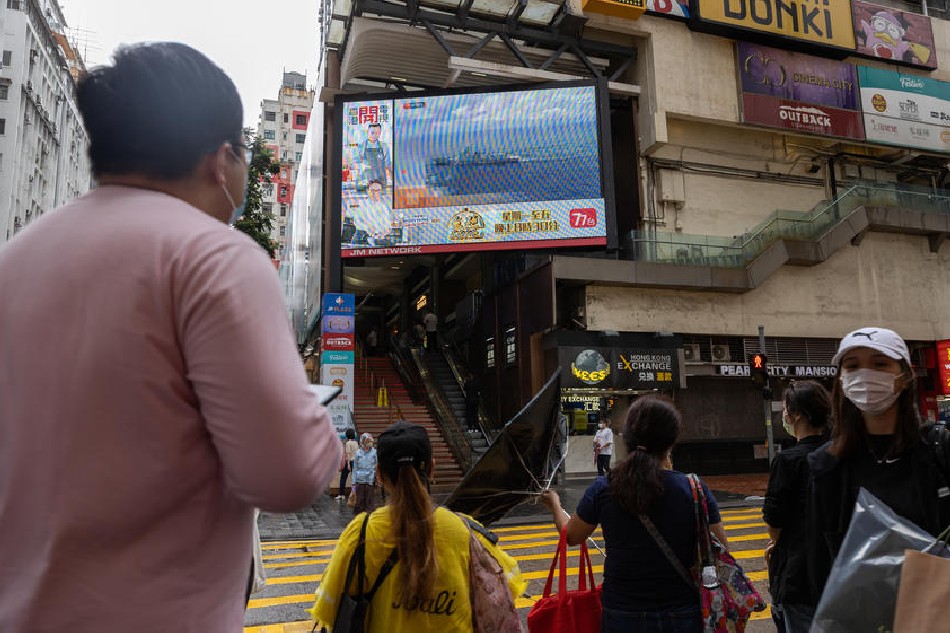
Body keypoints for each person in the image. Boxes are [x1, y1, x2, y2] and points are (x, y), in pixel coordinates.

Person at [0, 42, 341, 632]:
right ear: (221, 160)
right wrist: (314, 422)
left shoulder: (15, 260)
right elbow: (287, 474)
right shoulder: (215, 258)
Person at [311, 421, 525, 631]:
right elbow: (509, 586)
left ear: (379, 474)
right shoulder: (465, 531)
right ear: (432, 468)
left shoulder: (362, 532)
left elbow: (328, 609)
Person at [541, 396, 729, 633]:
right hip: (682, 612)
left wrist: (555, 505)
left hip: (622, 613)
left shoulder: (604, 488)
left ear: (626, 438)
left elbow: (571, 535)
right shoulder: (693, 488)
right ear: (671, 441)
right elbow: (720, 547)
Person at [808, 327, 950, 600]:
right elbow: (819, 565)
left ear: (905, 377)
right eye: (852, 366)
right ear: (842, 380)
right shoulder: (827, 465)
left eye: (880, 364)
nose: (865, 374)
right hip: (862, 616)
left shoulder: (938, 450)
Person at [763, 380, 831, 633]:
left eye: (785, 409)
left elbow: (774, 520)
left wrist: (775, 544)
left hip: (798, 573)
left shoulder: (788, 461)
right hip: (837, 568)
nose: (784, 415)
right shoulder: (838, 454)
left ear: (797, 414)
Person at [352, 433, 378, 515]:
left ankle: (369, 520)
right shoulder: (358, 453)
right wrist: (353, 484)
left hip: (370, 480)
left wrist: (377, 478)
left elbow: (377, 466)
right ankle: (359, 520)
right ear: (363, 442)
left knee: (370, 502)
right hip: (360, 481)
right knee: (359, 502)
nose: (370, 443)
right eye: (368, 441)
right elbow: (355, 468)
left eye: (371, 441)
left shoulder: (374, 452)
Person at [359, 121, 391, 185]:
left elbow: (387, 164)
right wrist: (362, 166)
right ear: (367, 132)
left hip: (381, 180)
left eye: (377, 133)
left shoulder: (384, 146)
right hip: (366, 180)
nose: (374, 135)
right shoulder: (361, 146)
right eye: (372, 133)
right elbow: (355, 163)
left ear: (380, 133)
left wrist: (389, 175)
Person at [337, 428, 359, 500]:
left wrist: (348, 464)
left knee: (343, 477)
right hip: (355, 462)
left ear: (347, 435)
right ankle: (354, 494)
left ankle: (341, 494)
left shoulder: (348, 443)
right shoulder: (356, 443)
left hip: (349, 462)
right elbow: (357, 453)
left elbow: (348, 454)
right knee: (354, 479)